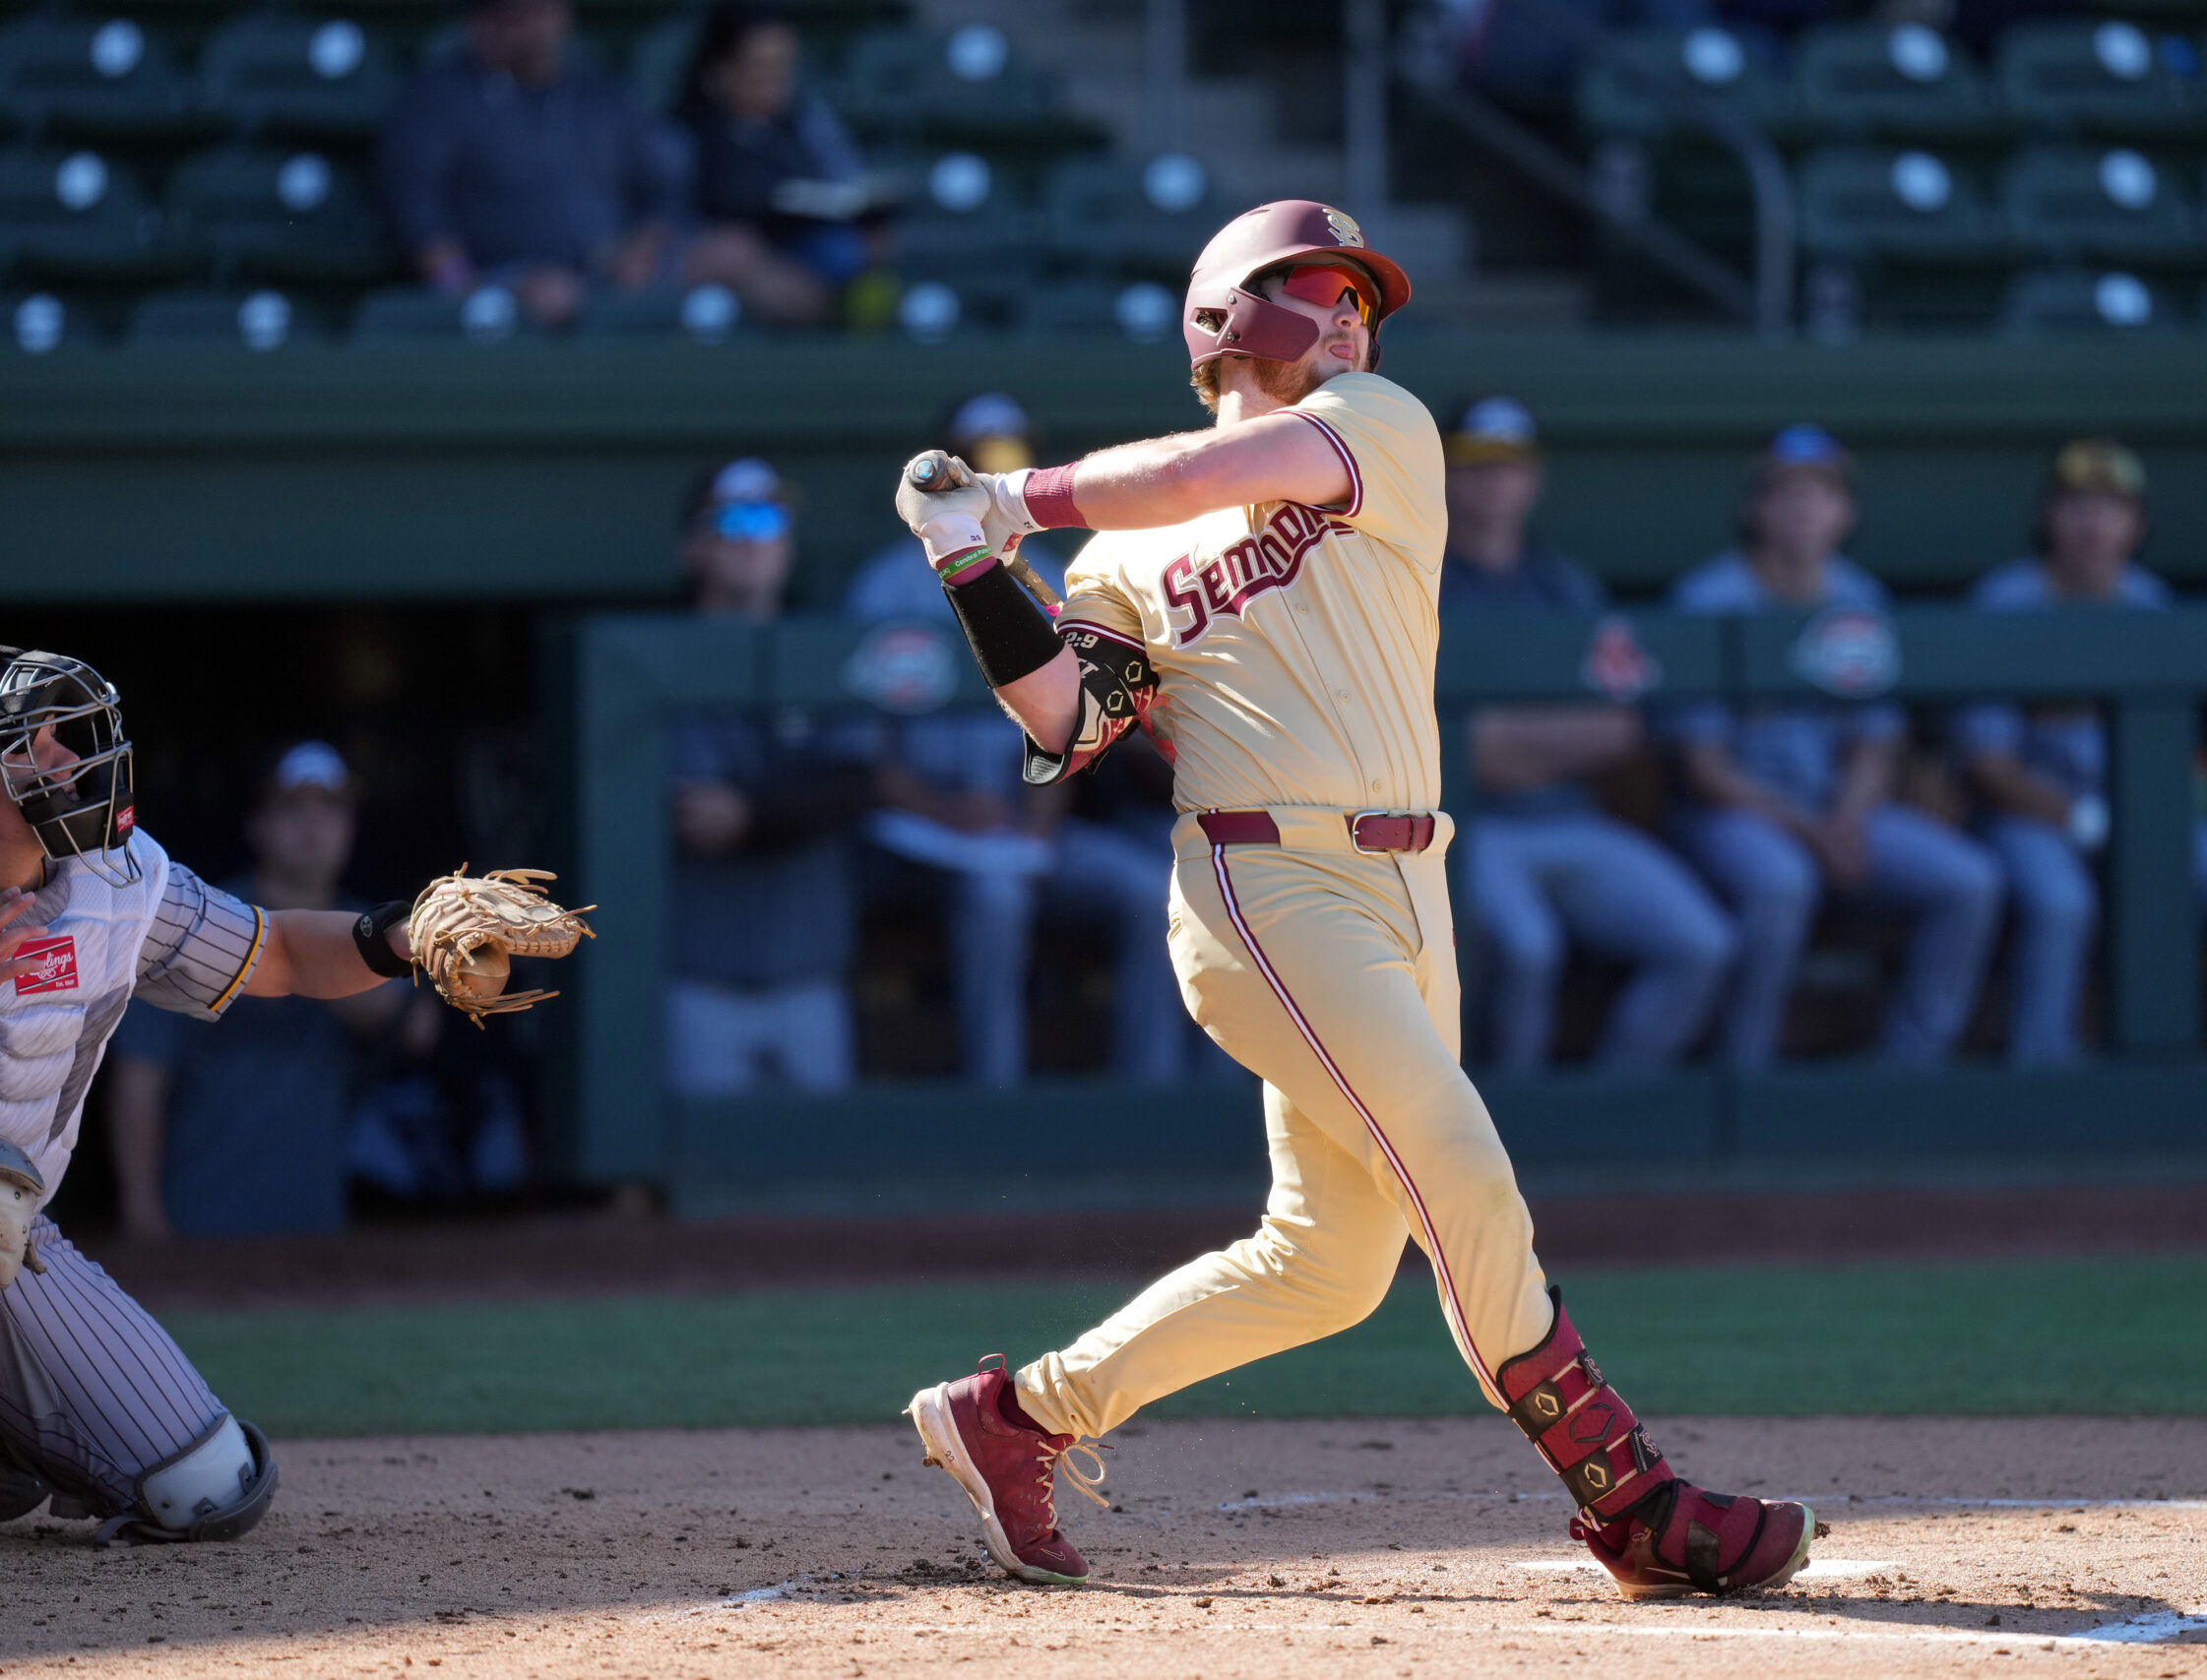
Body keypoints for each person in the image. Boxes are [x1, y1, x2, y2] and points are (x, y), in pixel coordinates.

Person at [886, 201, 1818, 1598]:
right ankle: (1632, 1501)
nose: (1351, 315)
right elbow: (1069, 718)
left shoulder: (1380, 422)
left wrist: (1010, 501)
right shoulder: (1121, 557)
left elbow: (1229, 463)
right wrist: (970, 563)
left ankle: (1017, 1416)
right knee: (1463, 1170)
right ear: (1232, 316)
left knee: (1328, 1259)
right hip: (1264, 885)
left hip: (1407, 879)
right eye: (1322, 291)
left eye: (1358, 297)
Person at [0, 649, 568, 1544]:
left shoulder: (117, 880)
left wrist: (399, 938)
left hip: (14, 1241)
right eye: (34, 747)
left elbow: (279, 954)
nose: (67, 761)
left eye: (62, 739)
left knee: (208, 1487)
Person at [849, 395, 1192, 1087]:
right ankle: (997, 1099)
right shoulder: (885, 586)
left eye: (1006, 458)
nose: (987, 475)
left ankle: (1149, 1095)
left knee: (1153, 890)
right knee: (996, 897)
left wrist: (1041, 814)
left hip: (1023, 820)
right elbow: (859, 754)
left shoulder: (1057, 578)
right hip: (915, 834)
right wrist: (947, 814)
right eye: (973, 459)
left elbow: (1093, 724)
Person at [1662, 425, 2002, 1067]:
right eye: (1786, 492)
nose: (1803, 508)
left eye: (1821, 493)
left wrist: (1846, 816)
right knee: (1782, 880)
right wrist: (1814, 830)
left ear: (1845, 513)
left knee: (1970, 880)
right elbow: (1704, 769)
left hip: (1832, 806)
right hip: (1731, 813)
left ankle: (1910, 1066)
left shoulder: (1860, 596)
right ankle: (1745, 1068)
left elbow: (1875, 743)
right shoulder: (1707, 598)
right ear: (1755, 507)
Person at [1954, 440, 2207, 1064]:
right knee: (2063, 905)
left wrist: (2164, 815)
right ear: (2047, 517)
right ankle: (2043, 1077)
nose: (2092, 523)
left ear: (2136, 526)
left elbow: (2189, 756)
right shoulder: (2004, 603)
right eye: (2076, 505)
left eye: (2110, 508)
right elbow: (1986, 766)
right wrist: (2082, 821)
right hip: (2030, 818)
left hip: (2141, 816)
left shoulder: (2152, 603)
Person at [1440, 395, 1735, 1074]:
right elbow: (1448, 750)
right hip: (1468, 831)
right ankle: (1507, 1125)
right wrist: (1533, 741)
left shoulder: (1566, 586)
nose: (1492, 481)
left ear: (1533, 479)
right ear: (1445, 476)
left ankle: (1607, 1100)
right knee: (1527, 947)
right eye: (1474, 465)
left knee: (1702, 942)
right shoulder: (1410, 584)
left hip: (1575, 820)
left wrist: (1509, 744)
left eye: (1508, 466)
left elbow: (1622, 726)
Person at [108, 743, 417, 1239]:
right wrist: (141, 1209)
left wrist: (314, 947)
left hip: (319, 1224)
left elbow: (417, 1029)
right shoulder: (200, 920)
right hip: (201, 1219)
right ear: (258, 826)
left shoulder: (373, 927)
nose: (313, 826)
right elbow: (140, 1078)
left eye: (331, 809)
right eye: (293, 808)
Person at [377, 0, 825, 326]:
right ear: (482, 26)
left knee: (734, 249)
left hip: (615, 264)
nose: (545, 29)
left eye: (552, 13)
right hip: (515, 274)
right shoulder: (437, 100)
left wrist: (644, 246)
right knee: (555, 296)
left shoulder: (599, 94)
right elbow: (422, 223)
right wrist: (465, 290)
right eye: (526, 17)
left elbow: (663, 189)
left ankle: (847, 338)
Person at [669, 458, 874, 1094]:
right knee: (701, 1181)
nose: (754, 535)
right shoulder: (658, 658)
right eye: (734, 518)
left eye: (770, 517)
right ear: (693, 546)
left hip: (810, 974)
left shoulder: (823, 652)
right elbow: (695, 814)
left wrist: (754, 814)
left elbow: (852, 784)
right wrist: (779, 806)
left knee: (824, 1180)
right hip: (696, 975)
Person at [674, 0, 881, 291]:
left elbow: (849, 185)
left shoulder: (808, 124)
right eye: (760, 68)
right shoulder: (678, 139)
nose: (774, 84)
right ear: (717, 72)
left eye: (783, 68)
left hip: (812, 250)